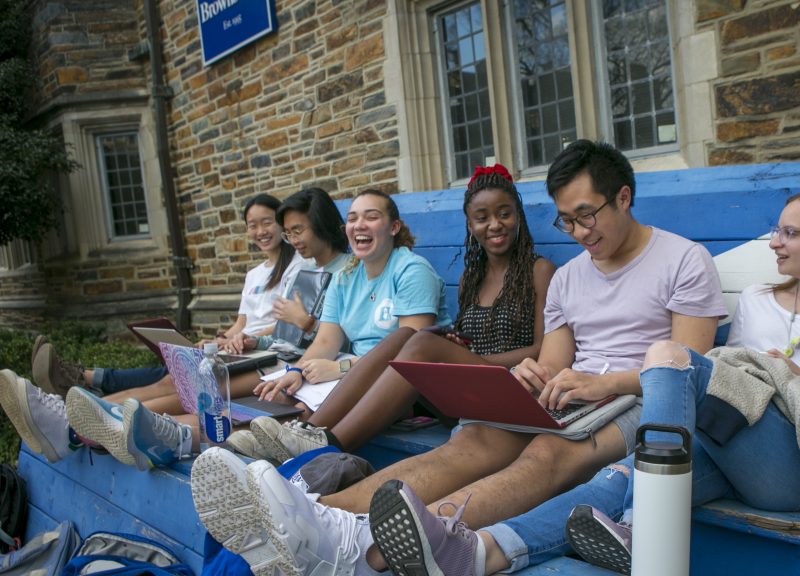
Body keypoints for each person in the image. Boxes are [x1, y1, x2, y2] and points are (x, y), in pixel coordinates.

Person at [190, 140, 727, 576]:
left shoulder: (682, 260)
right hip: (575, 398)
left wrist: (599, 382)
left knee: (546, 453)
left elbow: (685, 369)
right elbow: (556, 361)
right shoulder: (570, 277)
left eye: (587, 215)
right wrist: (535, 376)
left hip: (642, 402)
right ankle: (321, 518)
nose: (579, 233)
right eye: (566, 221)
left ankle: (362, 550)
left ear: (624, 197)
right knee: (471, 441)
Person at [369, 184, 800, 576]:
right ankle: (475, 556)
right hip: (733, 446)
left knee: (669, 357)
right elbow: (734, 387)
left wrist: (798, 379)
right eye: (776, 230)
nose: (775, 241)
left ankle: (637, 525)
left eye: (790, 232)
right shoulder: (760, 299)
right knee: (619, 479)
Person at [0, 188, 349, 468]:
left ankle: (80, 427)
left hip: (294, 365)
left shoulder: (341, 271)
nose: (291, 239)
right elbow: (284, 333)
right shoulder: (309, 270)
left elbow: (332, 338)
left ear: (320, 224)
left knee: (197, 384)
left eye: (296, 231)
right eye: (288, 232)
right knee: (182, 378)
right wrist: (249, 339)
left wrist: (301, 325)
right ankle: (75, 417)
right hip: (276, 355)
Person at [242, 165, 556, 463]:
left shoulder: (539, 271)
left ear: (518, 217)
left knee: (417, 339)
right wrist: (456, 347)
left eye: (504, 214)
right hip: (465, 387)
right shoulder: (470, 279)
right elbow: (468, 341)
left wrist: (470, 360)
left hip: (509, 385)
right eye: (482, 218)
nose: (495, 224)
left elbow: (543, 349)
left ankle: (329, 444)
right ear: (471, 225)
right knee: (407, 337)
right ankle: (307, 433)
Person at [29, 193, 303, 399]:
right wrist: (219, 339)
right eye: (252, 225)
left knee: (171, 377)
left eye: (267, 223)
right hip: (236, 349)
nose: (260, 232)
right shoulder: (254, 274)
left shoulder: (297, 266)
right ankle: (82, 385)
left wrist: (241, 340)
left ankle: (82, 388)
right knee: (173, 369)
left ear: (281, 224)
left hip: (259, 351)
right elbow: (241, 323)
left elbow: (286, 325)